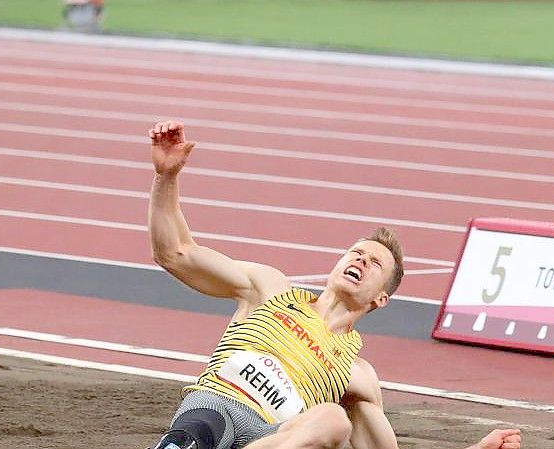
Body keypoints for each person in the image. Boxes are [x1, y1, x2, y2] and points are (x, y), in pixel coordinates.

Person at [146, 120, 522, 449]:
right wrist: (167, 177)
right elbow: (175, 253)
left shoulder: (357, 375)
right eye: (356, 253)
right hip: (217, 407)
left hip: (270, 435)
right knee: (201, 428)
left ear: (381, 298)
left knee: (333, 419)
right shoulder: (271, 290)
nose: (361, 260)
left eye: (374, 263)